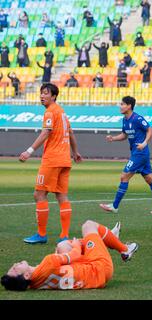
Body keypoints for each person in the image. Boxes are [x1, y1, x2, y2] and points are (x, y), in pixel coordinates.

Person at [18, 84, 82, 244]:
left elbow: (46, 132)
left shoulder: (50, 112)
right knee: (61, 195)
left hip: (52, 159)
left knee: (39, 194)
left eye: (45, 93)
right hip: (65, 159)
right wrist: (75, 152)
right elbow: (71, 133)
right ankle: (64, 236)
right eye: (41, 93)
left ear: (53, 96)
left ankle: (41, 235)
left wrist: (29, 151)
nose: (42, 96)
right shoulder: (62, 113)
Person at [1, 220, 138, 291]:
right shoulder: (48, 262)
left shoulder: (33, 284)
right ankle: (125, 250)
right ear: (25, 276)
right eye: (14, 270)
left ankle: (105, 239)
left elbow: (56, 266)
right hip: (100, 267)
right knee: (88, 225)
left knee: (62, 246)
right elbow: (76, 253)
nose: (13, 265)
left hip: (89, 275)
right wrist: (76, 244)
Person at [100, 96, 152, 214]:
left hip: (140, 153)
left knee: (124, 176)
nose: (120, 106)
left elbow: (150, 130)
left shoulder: (137, 118)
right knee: (149, 178)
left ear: (129, 106)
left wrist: (144, 142)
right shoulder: (125, 120)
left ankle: (114, 206)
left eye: (122, 104)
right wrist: (113, 138)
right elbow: (124, 135)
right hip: (137, 152)